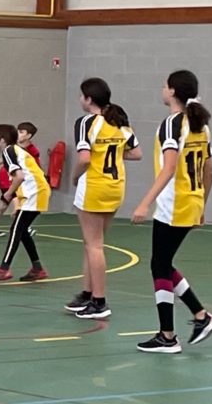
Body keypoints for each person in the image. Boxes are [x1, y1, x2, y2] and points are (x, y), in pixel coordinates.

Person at [129, 70, 212, 353]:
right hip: (191, 201)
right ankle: (200, 316)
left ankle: (168, 335)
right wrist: (202, 205)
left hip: (174, 203)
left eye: (164, 85)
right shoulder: (201, 127)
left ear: (172, 92)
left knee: (159, 265)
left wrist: (145, 202)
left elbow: (169, 168)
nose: (162, 89)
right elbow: (209, 169)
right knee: (164, 263)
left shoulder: (172, 124)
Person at [66, 77, 141, 319]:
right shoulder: (118, 122)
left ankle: (99, 301)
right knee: (93, 243)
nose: (80, 100)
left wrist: (75, 177)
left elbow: (84, 159)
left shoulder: (86, 123)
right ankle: (87, 294)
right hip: (115, 187)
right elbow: (136, 153)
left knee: (94, 245)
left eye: (82, 95)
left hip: (94, 187)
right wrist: (114, 154)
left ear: (89, 99)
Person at [0, 124, 50, 284]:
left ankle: (4, 269)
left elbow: (19, 177)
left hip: (35, 192)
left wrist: (8, 194)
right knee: (22, 230)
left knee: (15, 230)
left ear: (1, 139)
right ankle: (37, 268)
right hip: (34, 192)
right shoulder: (13, 150)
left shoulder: (9, 151)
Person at [0, 122, 41, 238]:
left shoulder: (31, 150)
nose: (18, 134)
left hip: (18, 179)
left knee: (4, 204)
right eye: (18, 131)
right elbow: (7, 156)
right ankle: (23, 228)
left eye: (21, 132)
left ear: (29, 136)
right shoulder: (13, 148)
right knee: (17, 202)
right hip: (9, 178)